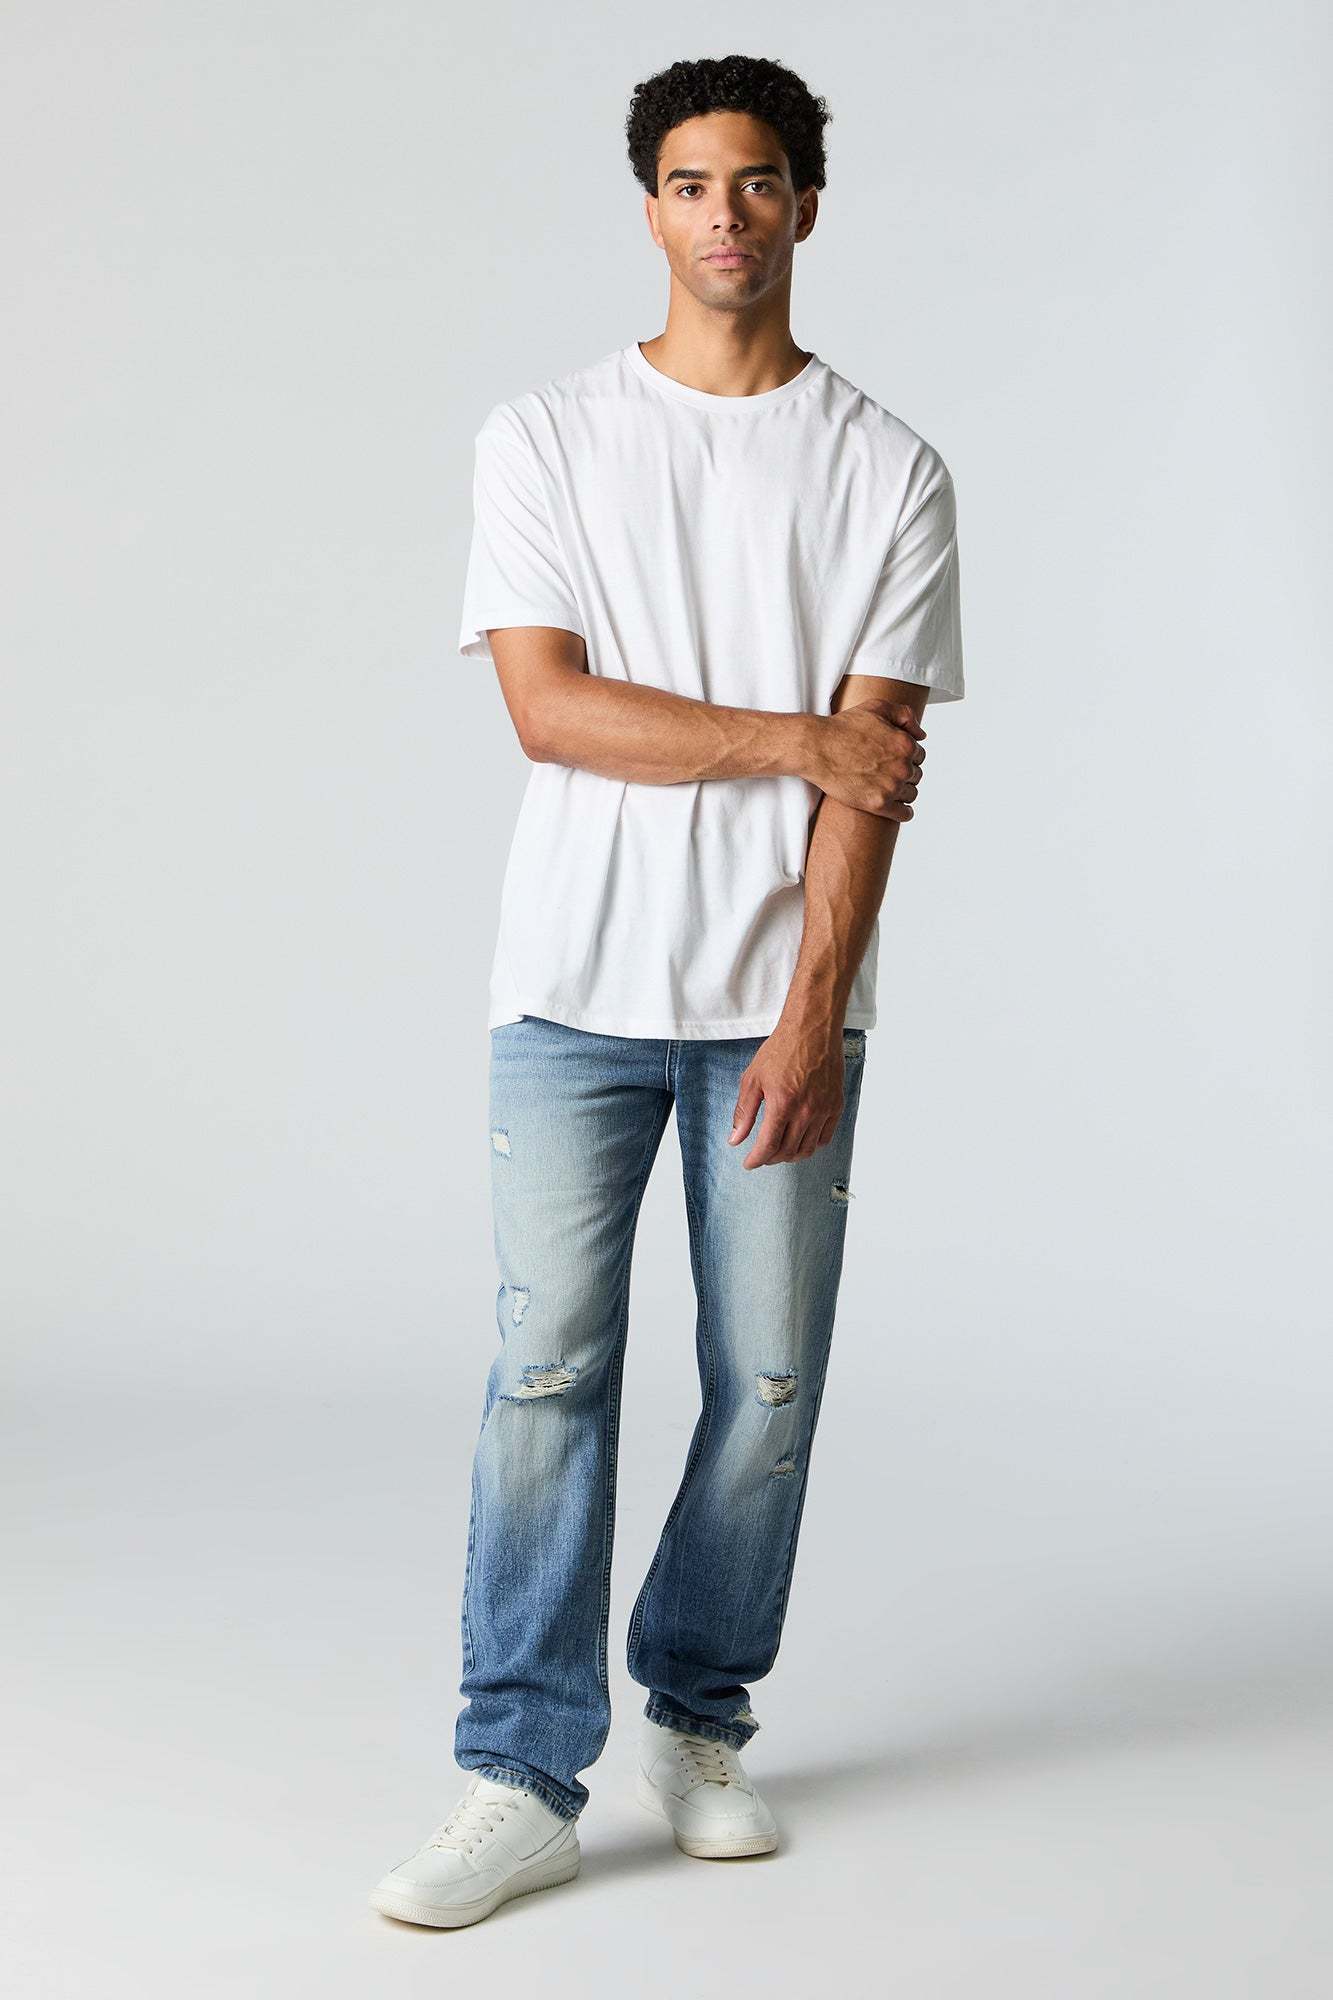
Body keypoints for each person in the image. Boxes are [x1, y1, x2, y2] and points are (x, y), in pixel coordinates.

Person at [370, 50, 964, 1929]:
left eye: (758, 180)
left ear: (805, 206)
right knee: (546, 1369)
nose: (726, 213)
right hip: (572, 990)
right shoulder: (544, 438)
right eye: (693, 183)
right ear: (650, 212)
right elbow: (549, 709)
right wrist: (790, 733)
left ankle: (698, 1722)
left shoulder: (887, 469)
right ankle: (517, 1774)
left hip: (776, 1006)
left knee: (765, 1383)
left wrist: (811, 1011)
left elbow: (874, 785)